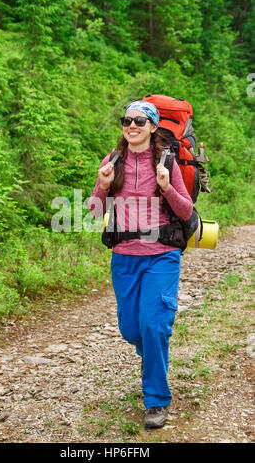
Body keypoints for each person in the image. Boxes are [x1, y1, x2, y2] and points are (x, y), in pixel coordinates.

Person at [88, 101, 193, 429]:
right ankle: (151, 353)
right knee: (132, 329)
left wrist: (166, 187)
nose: (131, 125)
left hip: (162, 254)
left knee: (154, 325)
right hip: (124, 257)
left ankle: (156, 401)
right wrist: (102, 187)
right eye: (126, 120)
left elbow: (186, 211)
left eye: (139, 121)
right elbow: (93, 213)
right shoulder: (112, 161)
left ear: (152, 126)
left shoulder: (166, 161)